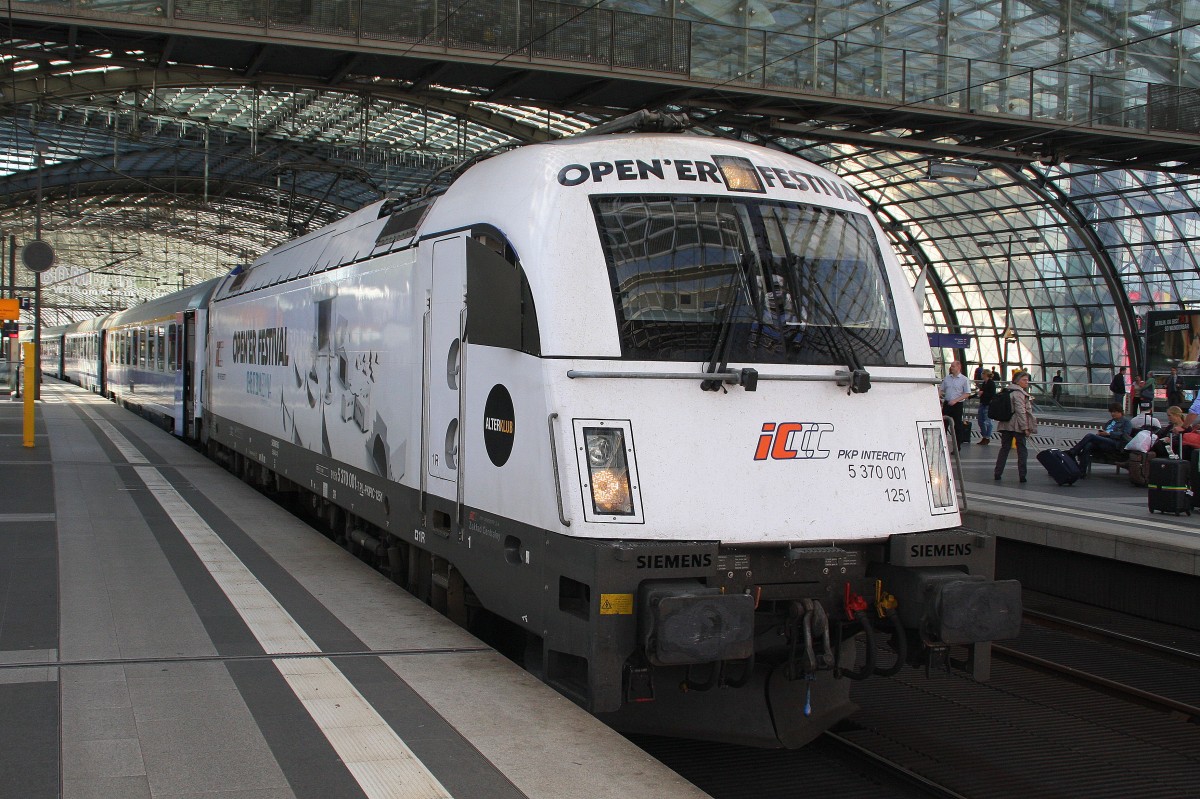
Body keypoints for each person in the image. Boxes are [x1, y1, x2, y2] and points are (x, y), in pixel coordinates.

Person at [1067, 404, 1134, 475]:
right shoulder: (1110, 422)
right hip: (1105, 440)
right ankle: (1081, 471)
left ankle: (1073, 452)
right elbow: (1105, 431)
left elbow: (1125, 434)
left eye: (1114, 412)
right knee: (1088, 445)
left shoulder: (1126, 422)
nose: (1112, 414)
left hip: (1115, 443)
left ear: (1120, 412)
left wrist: (1109, 434)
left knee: (1090, 436)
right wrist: (1101, 434)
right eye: (1111, 412)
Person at [994, 371, 1036, 482]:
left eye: (1027, 380)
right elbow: (1021, 412)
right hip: (1017, 426)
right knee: (1022, 450)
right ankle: (1022, 475)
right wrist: (1025, 428)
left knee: (1004, 449)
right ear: (1017, 381)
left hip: (1005, 424)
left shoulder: (1006, 390)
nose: (1027, 382)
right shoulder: (1019, 393)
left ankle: (997, 472)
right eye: (1024, 380)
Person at [939, 360, 972, 450]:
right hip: (947, 404)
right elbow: (941, 389)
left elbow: (967, 393)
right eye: (951, 366)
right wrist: (939, 396)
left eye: (953, 366)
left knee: (957, 425)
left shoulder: (964, 379)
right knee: (944, 424)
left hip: (957, 404)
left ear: (958, 367)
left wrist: (956, 400)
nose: (951, 368)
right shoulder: (947, 378)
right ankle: (942, 446)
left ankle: (957, 447)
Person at [976, 369, 997, 444]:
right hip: (983, 403)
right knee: (980, 421)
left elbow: (992, 394)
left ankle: (987, 437)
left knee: (988, 421)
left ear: (985, 374)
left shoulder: (991, 383)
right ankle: (985, 436)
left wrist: (983, 393)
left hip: (988, 404)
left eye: (982, 373)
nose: (981, 375)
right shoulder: (984, 383)